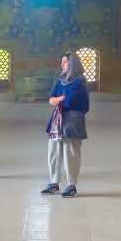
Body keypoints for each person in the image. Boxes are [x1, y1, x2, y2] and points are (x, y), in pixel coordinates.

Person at [41, 52, 89, 198]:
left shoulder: (79, 82)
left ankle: (71, 184)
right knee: (53, 151)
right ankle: (54, 182)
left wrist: (59, 99)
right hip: (57, 119)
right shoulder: (60, 80)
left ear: (72, 64)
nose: (62, 64)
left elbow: (69, 101)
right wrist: (59, 99)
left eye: (65, 62)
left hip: (73, 121)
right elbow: (51, 99)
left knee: (71, 153)